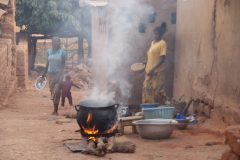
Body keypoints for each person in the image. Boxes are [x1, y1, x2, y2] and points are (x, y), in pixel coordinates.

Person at [142, 22, 168, 105]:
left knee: (158, 91)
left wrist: (153, 69)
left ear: (160, 34)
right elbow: (152, 56)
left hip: (158, 71)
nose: (154, 36)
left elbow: (162, 58)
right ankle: (149, 109)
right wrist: (147, 61)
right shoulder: (153, 43)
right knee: (147, 91)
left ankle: (163, 108)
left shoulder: (162, 43)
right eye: (154, 34)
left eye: (156, 34)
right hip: (149, 71)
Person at [42, 37, 66, 116]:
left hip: (59, 74)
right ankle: (55, 109)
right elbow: (47, 62)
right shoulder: (49, 52)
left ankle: (56, 110)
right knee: (53, 92)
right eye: (54, 41)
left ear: (59, 43)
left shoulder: (62, 53)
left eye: (57, 41)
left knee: (56, 91)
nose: (56, 42)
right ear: (52, 43)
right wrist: (44, 72)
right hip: (50, 74)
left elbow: (63, 65)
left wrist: (59, 76)